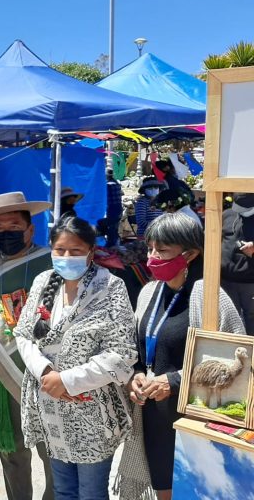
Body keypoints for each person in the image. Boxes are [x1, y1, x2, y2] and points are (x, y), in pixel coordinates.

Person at [117, 213, 245, 500]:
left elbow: (233, 362)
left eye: (162, 250)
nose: (152, 257)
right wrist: (136, 375)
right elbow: (137, 350)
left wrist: (174, 381)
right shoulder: (150, 292)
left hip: (194, 419)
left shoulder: (210, 296)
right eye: (150, 248)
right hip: (154, 418)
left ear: (190, 254)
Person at [14, 215, 136, 500]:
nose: (67, 257)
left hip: (91, 412)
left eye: (76, 251)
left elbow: (122, 353)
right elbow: (23, 334)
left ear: (91, 253)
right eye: (60, 250)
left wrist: (67, 381)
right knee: (63, 491)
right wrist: (46, 373)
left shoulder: (110, 287)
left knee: (91, 493)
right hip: (51, 408)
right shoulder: (44, 282)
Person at [0, 192, 54, 500]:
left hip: (48, 374)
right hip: (4, 371)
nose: (7, 232)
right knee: (13, 450)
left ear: (30, 229)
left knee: (52, 450)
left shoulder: (51, 262)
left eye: (14, 225)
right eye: (0, 227)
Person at [221, 193, 254, 335]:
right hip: (225, 279)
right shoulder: (227, 214)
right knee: (228, 318)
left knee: (251, 318)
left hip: (250, 281)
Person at [104, 169, 123, 247]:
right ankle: (115, 242)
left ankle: (111, 244)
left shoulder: (108, 185)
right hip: (118, 207)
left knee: (111, 227)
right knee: (115, 227)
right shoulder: (116, 183)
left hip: (111, 208)